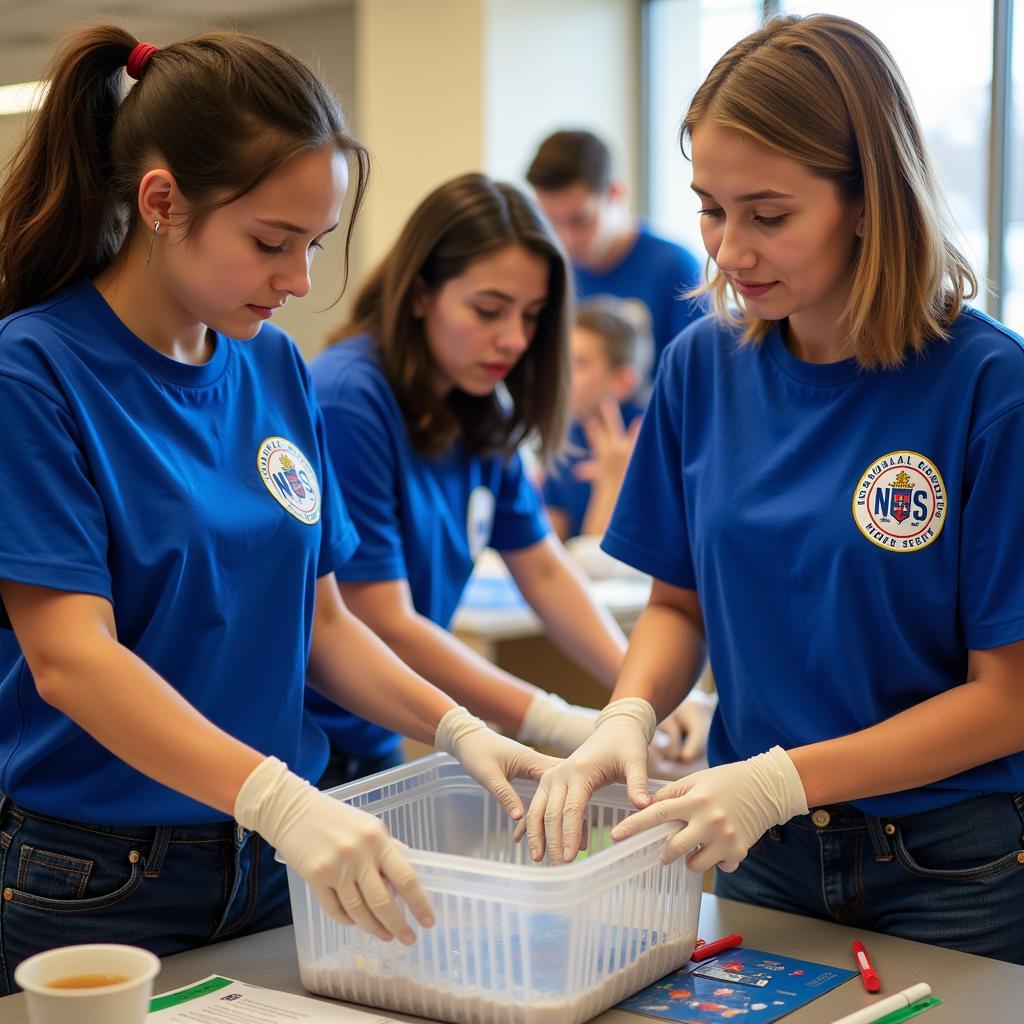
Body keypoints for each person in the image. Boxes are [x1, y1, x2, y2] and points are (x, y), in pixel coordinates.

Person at [0, 26, 557, 990]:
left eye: (314, 244)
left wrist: (461, 729)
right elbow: (70, 660)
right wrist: (281, 800)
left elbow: (322, 622)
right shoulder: (34, 370)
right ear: (163, 202)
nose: (299, 280)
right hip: (96, 875)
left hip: (270, 858)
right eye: (270, 242)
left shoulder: (273, 366)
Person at [525, 14, 1024, 964]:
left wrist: (778, 779)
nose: (728, 250)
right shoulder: (699, 366)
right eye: (711, 208)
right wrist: (629, 712)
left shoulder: (988, 388)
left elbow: (1008, 699)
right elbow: (678, 605)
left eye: (769, 214)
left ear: (870, 200)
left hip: (953, 867)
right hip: (759, 850)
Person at [308, 173, 714, 787]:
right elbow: (382, 619)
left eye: (531, 316)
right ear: (419, 293)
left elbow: (545, 569)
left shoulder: (479, 407)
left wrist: (642, 697)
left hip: (374, 732)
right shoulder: (349, 399)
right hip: (309, 737)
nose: (514, 340)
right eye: (488, 311)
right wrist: (554, 720)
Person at [526, 129, 703, 373]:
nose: (565, 240)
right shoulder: (548, 270)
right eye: (551, 222)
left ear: (615, 194)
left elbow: (701, 378)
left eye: (580, 221)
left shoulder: (677, 268)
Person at [543, 298, 651, 542]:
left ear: (623, 381)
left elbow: (604, 561)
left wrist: (611, 482)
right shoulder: (569, 436)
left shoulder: (650, 439)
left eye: (579, 363)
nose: (562, 374)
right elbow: (550, 545)